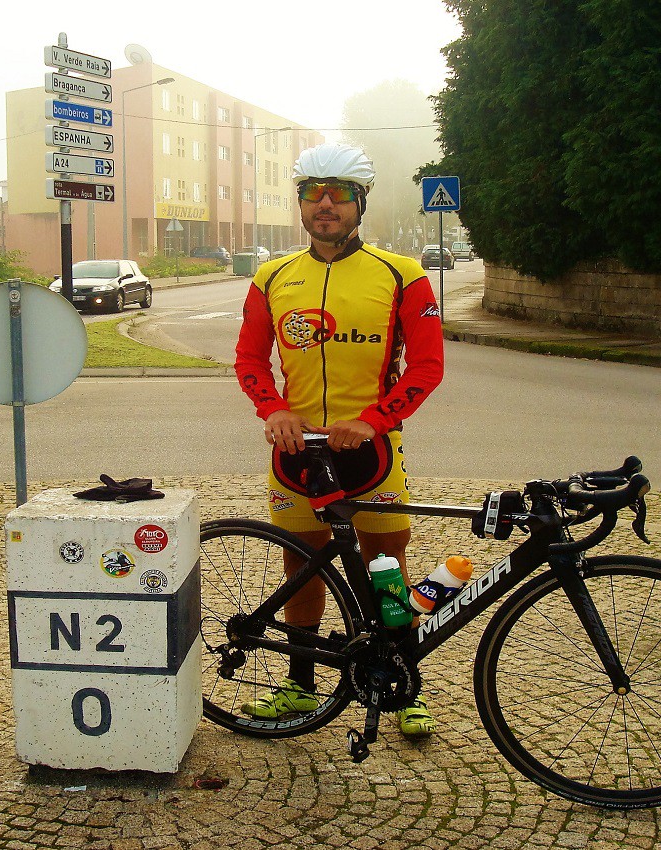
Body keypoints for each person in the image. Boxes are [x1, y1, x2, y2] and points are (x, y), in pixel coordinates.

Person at [234, 142, 446, 736]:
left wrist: (374, 419)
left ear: (360, 203)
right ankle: (300, 689)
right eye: (312, 194)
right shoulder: (272, 276)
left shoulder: (400, 273)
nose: (325, 205)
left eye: (339, 194)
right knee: (299, 570)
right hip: (295, 453)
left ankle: (406, 688)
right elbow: (249, 358)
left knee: (386, 571)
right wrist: (272, 408)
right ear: (300, 204)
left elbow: (427, 367)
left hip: (372, 454)